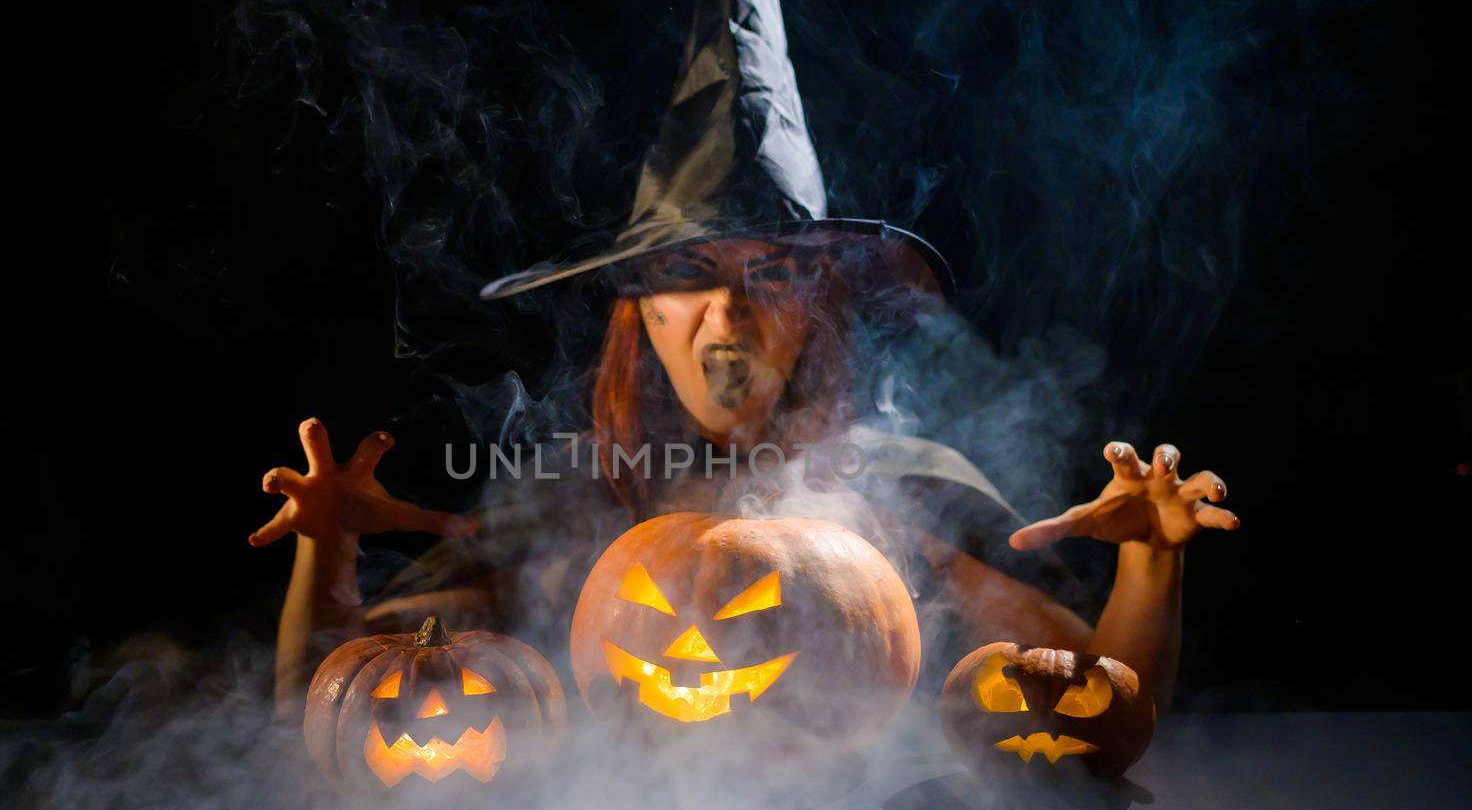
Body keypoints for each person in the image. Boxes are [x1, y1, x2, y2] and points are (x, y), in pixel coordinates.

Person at [252, 234, 1237, 719]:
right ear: (643, 317)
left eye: (766, 274)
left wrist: (1150, 569)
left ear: (809, 313)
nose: (727, 311)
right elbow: (333, 696)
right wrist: (327, 557)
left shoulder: (908, 491)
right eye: (689, 275)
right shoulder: (568, 497)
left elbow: (1109, 704)